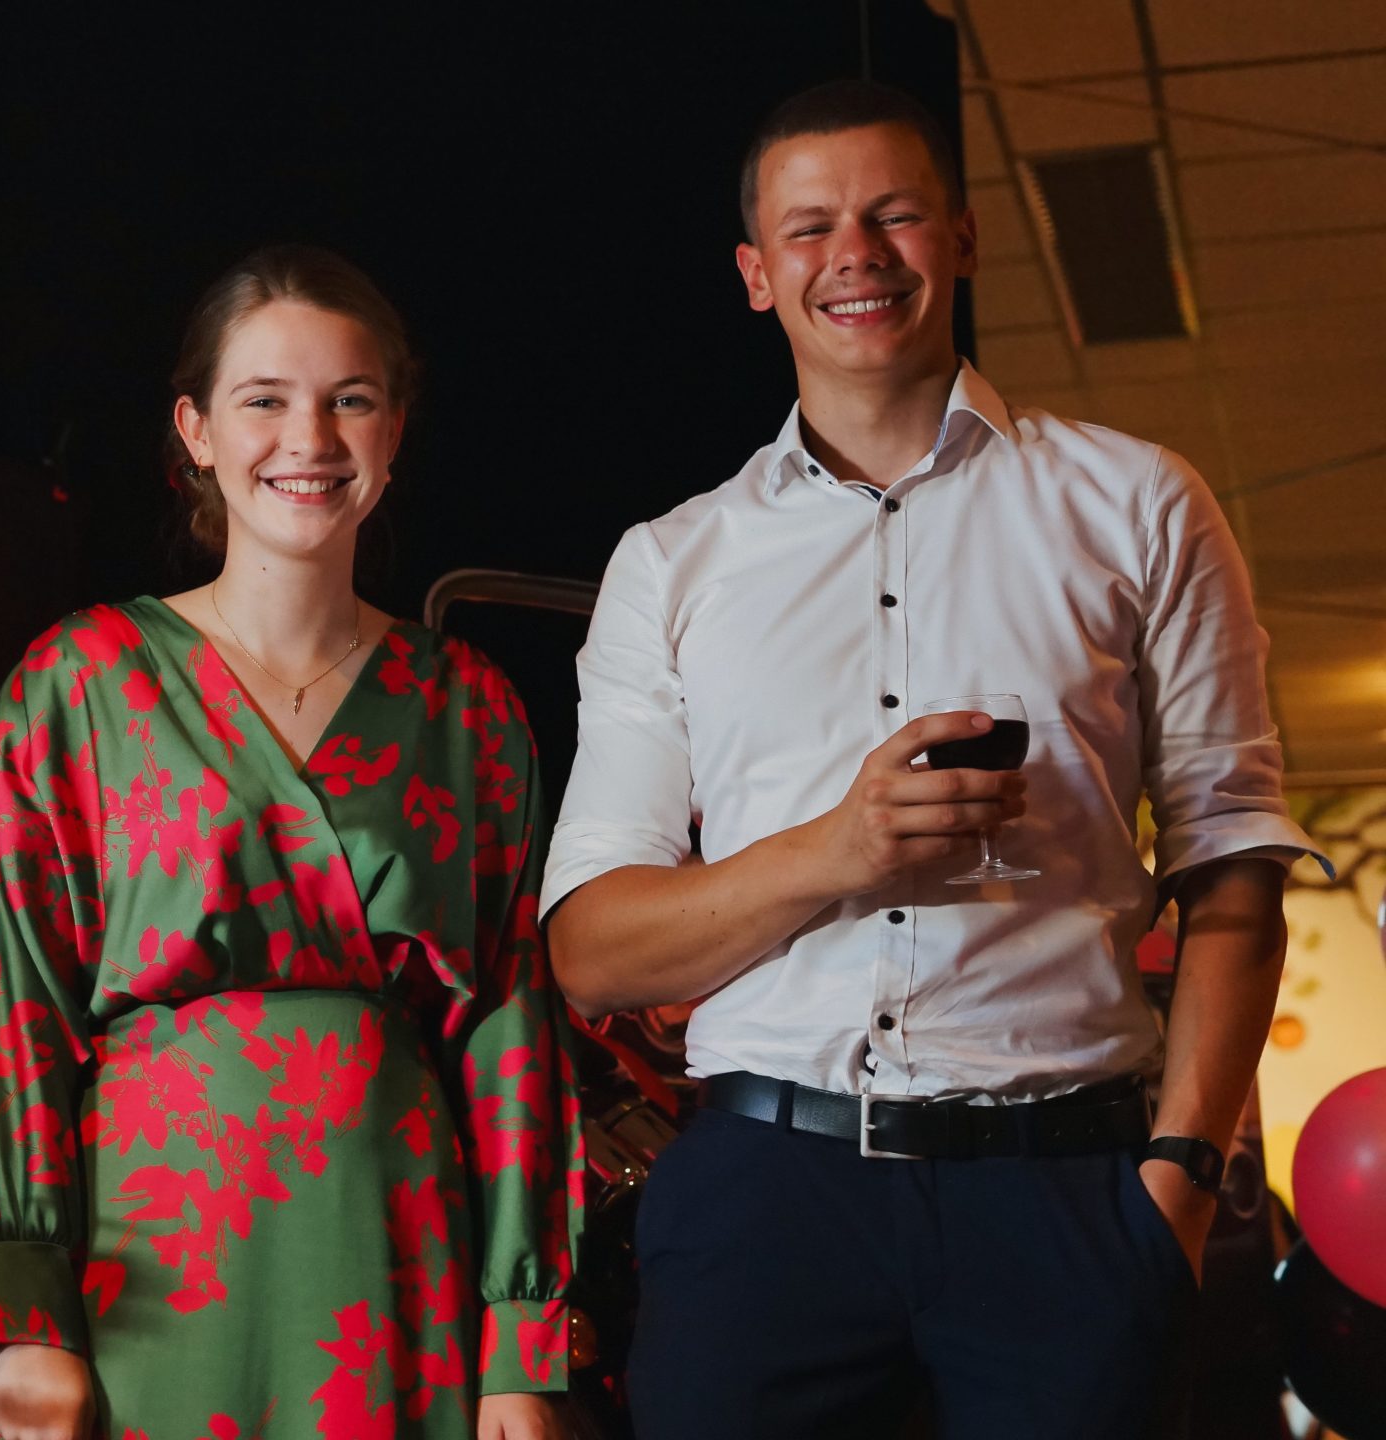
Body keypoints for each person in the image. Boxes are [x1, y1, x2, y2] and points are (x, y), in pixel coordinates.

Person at [542, 79, 1315, 1440]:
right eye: (811, 227)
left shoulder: (1140, 504)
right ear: (756, 274)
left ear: (961, 238)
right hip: (764, 1204)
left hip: (1068, 1194)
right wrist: (836, 852)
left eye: (892, 215)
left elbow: (1235, 870)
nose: (855, 254)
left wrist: (1177, 1188)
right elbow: (596, 953)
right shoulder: (671, 562)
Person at [0, 246, 583, 1440]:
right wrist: (28, 1307)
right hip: (148, 1265)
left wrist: (519, 1341)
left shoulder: (466, 705)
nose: (309, 438)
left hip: (394, 1253)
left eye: (349, 400)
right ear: (195, 430)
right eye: (264, 399)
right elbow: (19, 1011)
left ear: (392, 432)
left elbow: (514, 1036)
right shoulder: (79, 679)